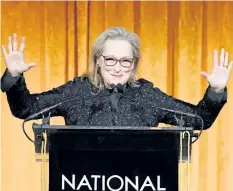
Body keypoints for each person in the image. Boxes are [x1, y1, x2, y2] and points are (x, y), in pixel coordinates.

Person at [1, 27, 232, 129]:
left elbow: (200, 120)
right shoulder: (77, 91)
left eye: (125, 61)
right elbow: (26, 109)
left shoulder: (147, 95)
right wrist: (14, 76)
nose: (117, 67)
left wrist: (216, 92)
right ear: (98, 60)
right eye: (110, 59)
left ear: (134, 64)